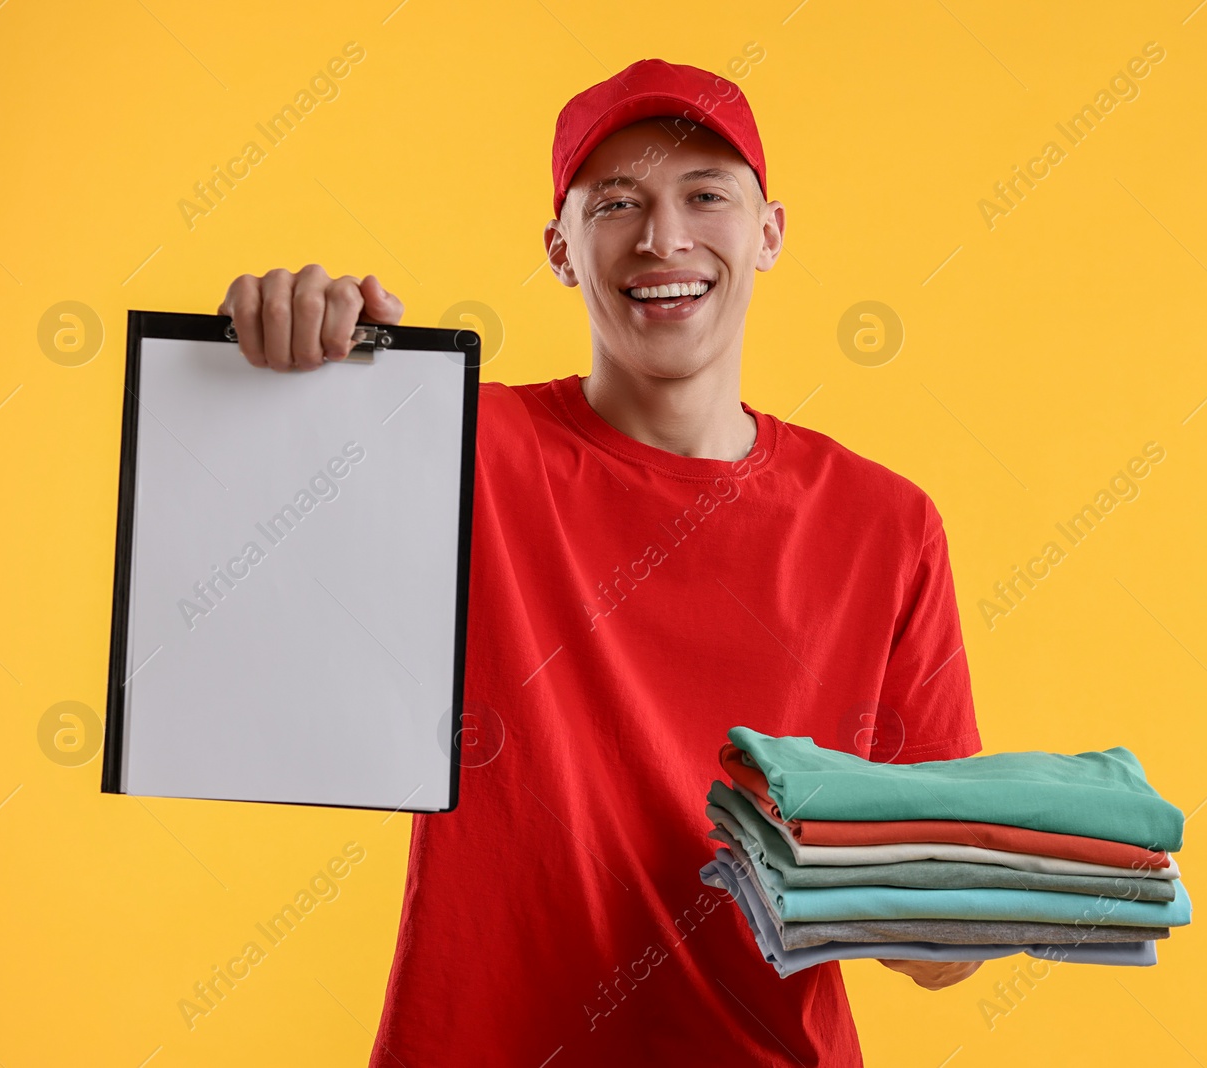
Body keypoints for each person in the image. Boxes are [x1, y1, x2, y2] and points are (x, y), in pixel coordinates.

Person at [219, 58, 983, 1067]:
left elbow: (945, 956)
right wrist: (287, 375)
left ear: (768, 234)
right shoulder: (452, 448)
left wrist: (888, 873)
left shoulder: (886, 523)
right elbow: (242, 616)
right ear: (560, 250)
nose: (663, 238)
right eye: (616, 202)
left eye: (704, 195)